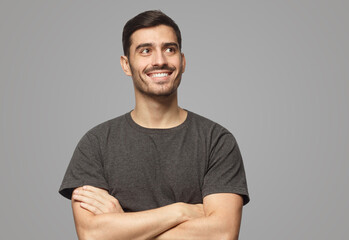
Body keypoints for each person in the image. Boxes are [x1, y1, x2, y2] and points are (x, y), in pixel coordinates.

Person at [59, 10, 250, 240]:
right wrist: (181, 211)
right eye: (146, 51)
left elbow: (222, 234)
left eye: (170, 49)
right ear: (126, 65)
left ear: (183, 61)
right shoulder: (96, 144)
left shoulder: (217, 141)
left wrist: (123, 226)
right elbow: (92, 234)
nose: (159, 60)